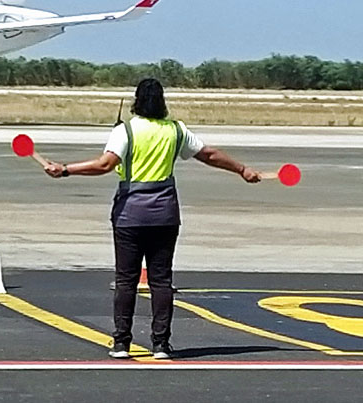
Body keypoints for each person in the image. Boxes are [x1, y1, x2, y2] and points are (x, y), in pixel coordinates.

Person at [42, 78, 262, 360]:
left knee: (126, 280)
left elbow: (105, 164)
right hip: (165, 215)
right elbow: (209, 154)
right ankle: (161, 344)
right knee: (161, 281)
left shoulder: (126, 130)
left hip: (129, 215)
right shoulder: (176, 130)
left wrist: (65, 170)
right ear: (162, 102)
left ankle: (121, 343)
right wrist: (242, 169)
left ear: (136, 101)